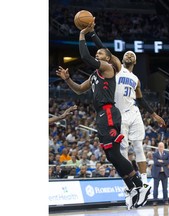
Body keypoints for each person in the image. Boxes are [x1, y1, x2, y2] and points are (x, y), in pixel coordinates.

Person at [56, 19, 151, 210]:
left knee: (115, 153)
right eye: (97, 53)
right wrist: (67, 80)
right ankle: (132, 188)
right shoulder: (93, 76)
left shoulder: (108, 68)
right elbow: (79, 90)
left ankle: (141, 186)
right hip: (100, 115)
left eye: (99, 53)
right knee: (111, 155)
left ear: (107, 59)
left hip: (109, 112)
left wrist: (83, 34)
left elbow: (85, 56)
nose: (97, 54)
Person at [87, 26, 165, 184]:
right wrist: (93, 33)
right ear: (122, 60)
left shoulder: (136, 79)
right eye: (126, 54)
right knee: (122, 150)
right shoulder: (117, 69)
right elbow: (104, 49)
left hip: (133, 112)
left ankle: (143, 181)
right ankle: (130, 183)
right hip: (118, 114)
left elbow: (141, 99)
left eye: (132, 54)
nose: (129, 54)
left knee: (138, 146)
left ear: (135, 60)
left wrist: (154, 115)